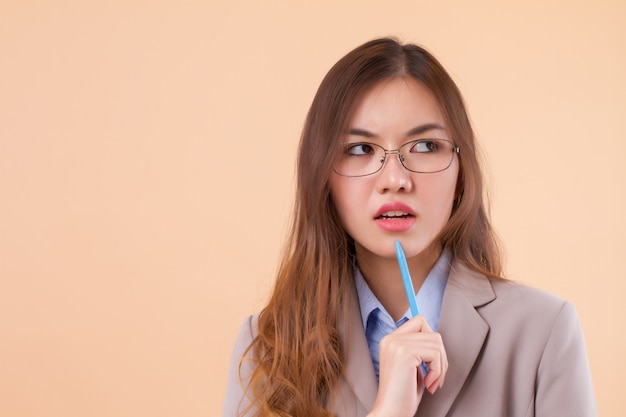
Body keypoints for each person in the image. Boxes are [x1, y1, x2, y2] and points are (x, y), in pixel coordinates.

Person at [222, 37, 596, 417]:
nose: (395, 179)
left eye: (425, 146)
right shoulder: (269, 345)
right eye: (359, 149)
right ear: (322, 179)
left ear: (461, 173)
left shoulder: (545, 332)